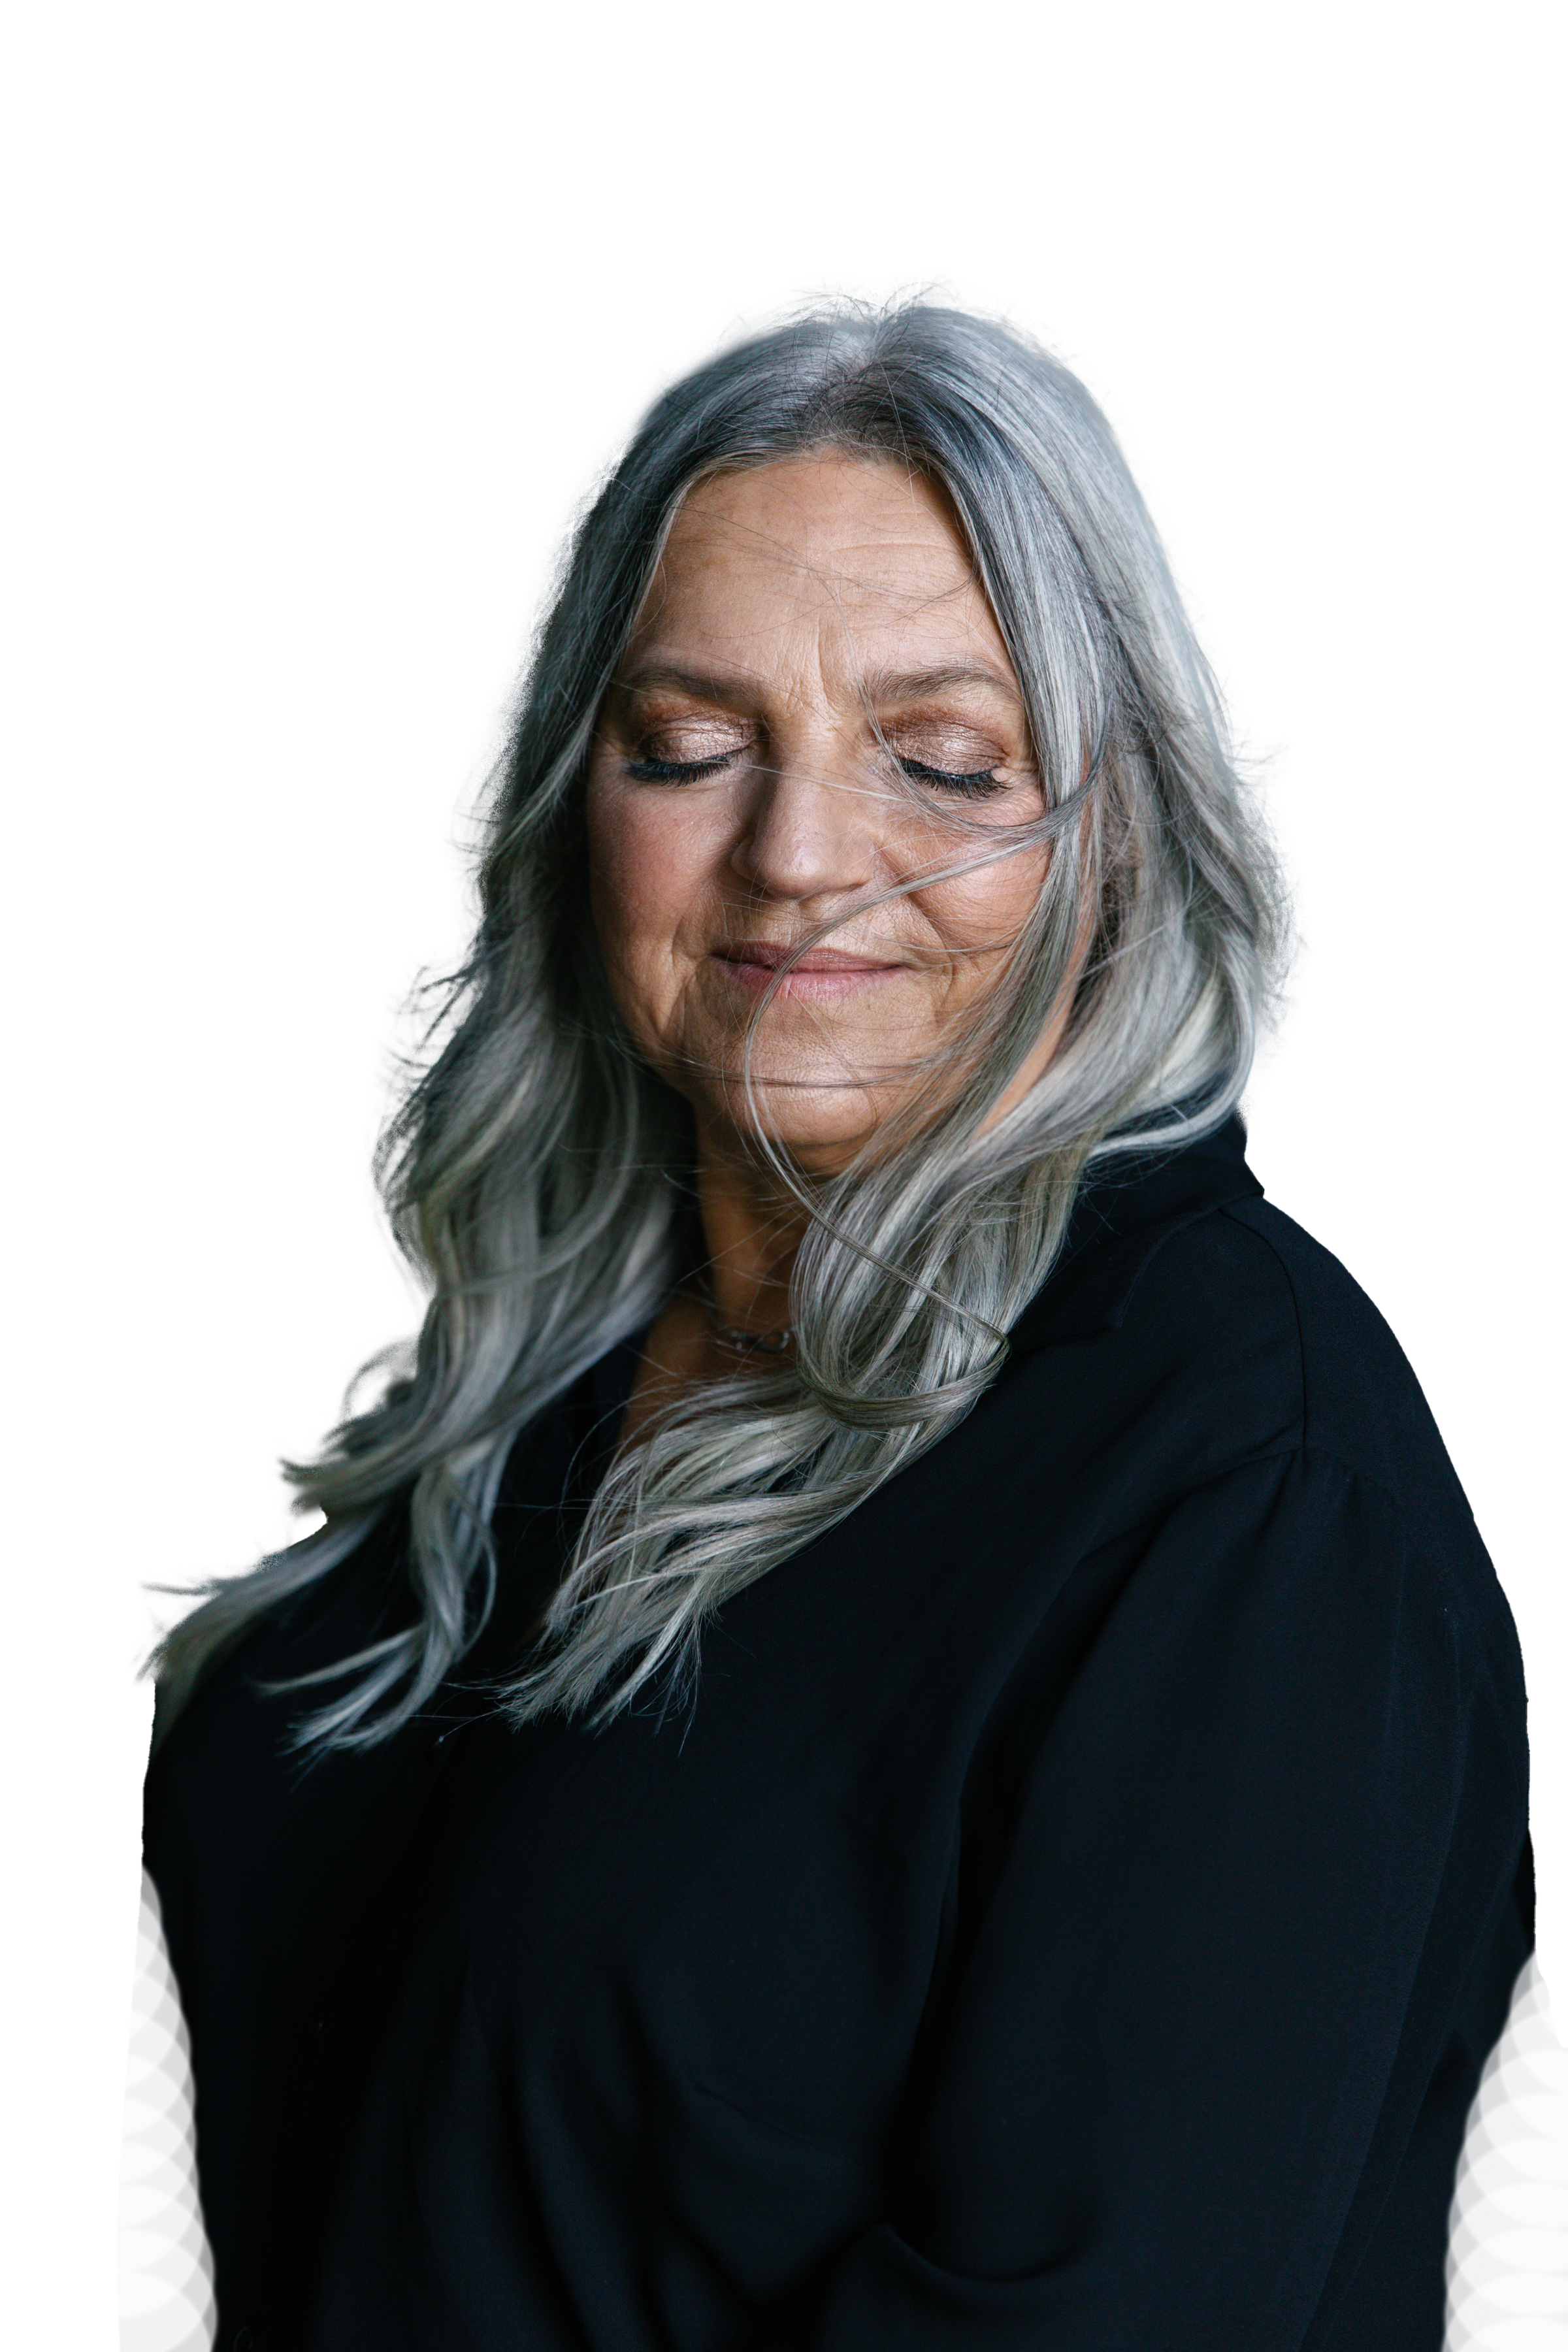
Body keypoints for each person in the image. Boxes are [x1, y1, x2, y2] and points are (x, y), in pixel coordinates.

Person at [125, 302, 1568, 2349]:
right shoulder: (470, 1353)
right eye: (691, 748)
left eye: (943, 761)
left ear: (1118, 830)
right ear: (578, 805)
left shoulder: (1254, 1502)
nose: (797, 859)